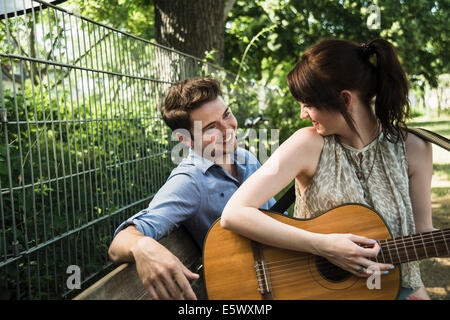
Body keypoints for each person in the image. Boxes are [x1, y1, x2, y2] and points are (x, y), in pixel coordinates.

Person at [221, 38, 433, 300]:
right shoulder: (306, 144)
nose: (302, 114)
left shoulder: (414, 148)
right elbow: (234, 213)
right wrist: (324, 246)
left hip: (394, 290)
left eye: (308, 104)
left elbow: (423, 235)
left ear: (345, 99)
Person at [108, 76, 276, 300]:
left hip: (284, 276)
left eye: (226, 114)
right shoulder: (189, 181)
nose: (227, 129)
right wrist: (142, 247)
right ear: (185, 139)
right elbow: (119, 243)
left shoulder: (245, 158)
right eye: (210, 127)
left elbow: (278, 217)